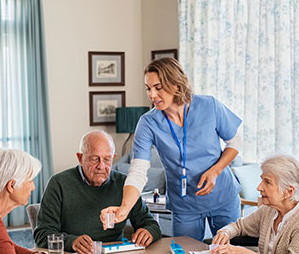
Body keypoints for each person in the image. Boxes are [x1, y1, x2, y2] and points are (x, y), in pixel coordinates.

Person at [101, 58, 242, 241]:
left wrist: (215, 171)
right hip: (184, 206)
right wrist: (124, 208)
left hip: (223, 198)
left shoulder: (209, 106)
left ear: (176, 85)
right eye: (148, 88)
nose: (152, 95)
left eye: (158, 87)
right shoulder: (148, 123)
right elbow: (138, 171)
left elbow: (235, 141)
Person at [33, 131, 161, 254]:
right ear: (80, 157)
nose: (101, 166)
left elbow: (151, 224)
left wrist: (148, 232)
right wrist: (71, 242)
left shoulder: (125, 184)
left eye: (107, 159)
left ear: (113, 158)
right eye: (94, 159)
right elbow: (42, 234)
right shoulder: (58, 183)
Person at [210, 155, 299, 254]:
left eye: (267, 182)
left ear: (289, 191)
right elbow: (239, 226)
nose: (259, 187)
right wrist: (225, 232)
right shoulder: (269, 210)